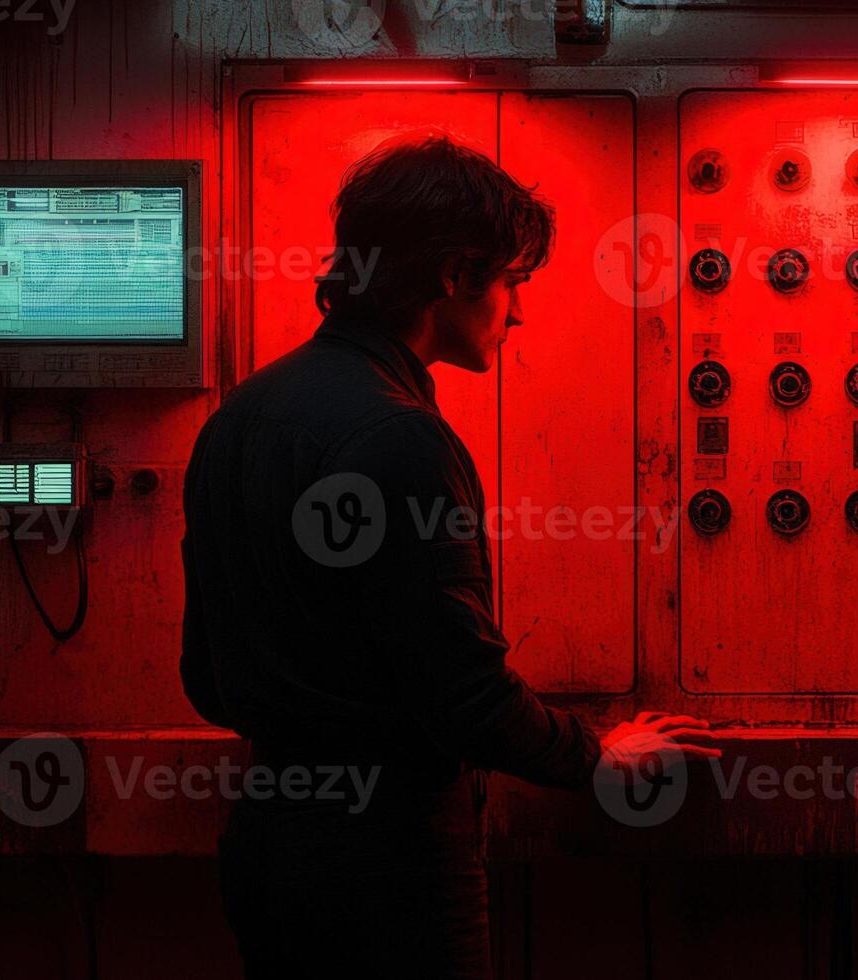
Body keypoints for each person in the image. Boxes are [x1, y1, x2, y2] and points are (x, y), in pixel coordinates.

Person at [179, 134, 717, 979]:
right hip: (391, 866)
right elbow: (464, 694)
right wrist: (594, 755)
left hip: (270, 850)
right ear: (456, 273)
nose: (519, 312)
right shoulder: (402, 438)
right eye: (514, 282)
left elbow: (206, 676)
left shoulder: (237, 420)